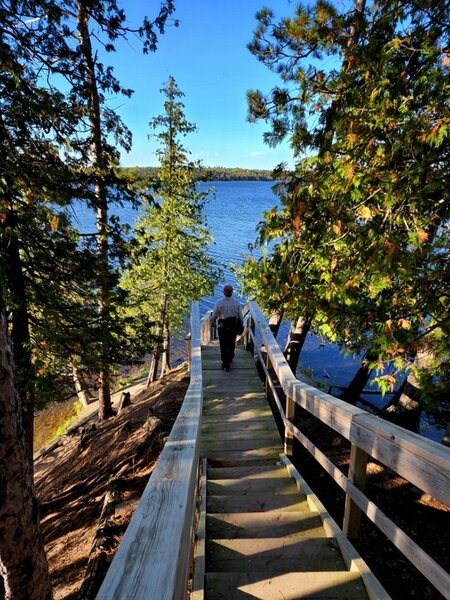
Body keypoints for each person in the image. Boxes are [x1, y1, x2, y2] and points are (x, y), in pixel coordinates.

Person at [211, 284, 243, 371]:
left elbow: (214, 316)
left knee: (223, 344)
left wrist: (212, 322)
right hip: (233, 326)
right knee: (232, 342)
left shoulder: (219, 303)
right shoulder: (237, 304)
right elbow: (240, 316)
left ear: (224, 292)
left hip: (223, 327)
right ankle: (230, 357)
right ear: (232, 292)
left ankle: (225, 363)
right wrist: (241, 326)